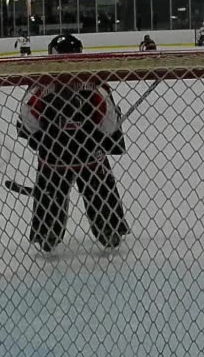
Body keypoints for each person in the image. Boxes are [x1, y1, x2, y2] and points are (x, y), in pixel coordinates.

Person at [15, 34, 129, 252]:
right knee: (100, 190)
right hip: (90, 155)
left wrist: (42, 139)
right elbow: (108, 124)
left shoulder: (42, 83)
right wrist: (102, 136)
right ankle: (110, 228)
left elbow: (27, 116)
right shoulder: (93, 83)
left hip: (54, 156)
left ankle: (47, 231)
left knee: (51, 190)